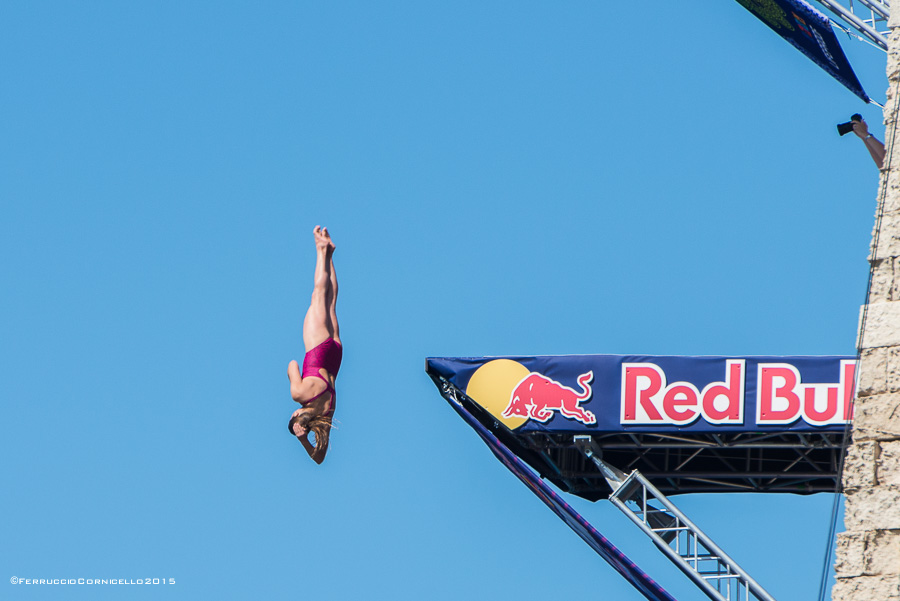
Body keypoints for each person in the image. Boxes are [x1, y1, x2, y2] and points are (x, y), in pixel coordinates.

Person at [287, 225, 342, 464]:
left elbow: (319, 458)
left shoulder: (326, 414)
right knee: (319, 295)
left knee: (331, 302)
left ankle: (329, 253)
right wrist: (294, 392)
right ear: (298, 414)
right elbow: (291, 364)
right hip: (317, 348)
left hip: (335, 356)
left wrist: (303, 441)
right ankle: (321, 251)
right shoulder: (298, 394)